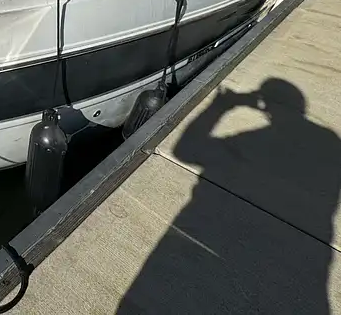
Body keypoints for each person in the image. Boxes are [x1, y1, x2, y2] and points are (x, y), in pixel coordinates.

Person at [117, 78, 341, 314]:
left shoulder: (261, 138)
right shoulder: (331, 142)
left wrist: (223, 105)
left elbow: (185, 150)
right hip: (307, 263)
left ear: (264, 104)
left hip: (206, 239)